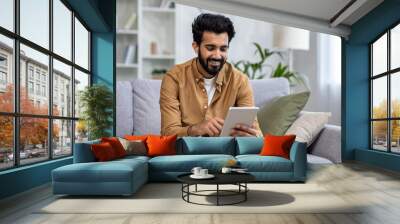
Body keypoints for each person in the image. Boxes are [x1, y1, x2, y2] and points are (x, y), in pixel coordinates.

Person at [160, 13, 262, 137]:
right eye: (210, 48)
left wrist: (251, 136)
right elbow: (168, 133)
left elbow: (257, 134)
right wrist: (196, 129)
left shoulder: (240, 81)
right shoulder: (174, 78)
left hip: (226, 153)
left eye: (223, 49)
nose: (217, 55)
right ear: (196, 47)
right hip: (186, 153)